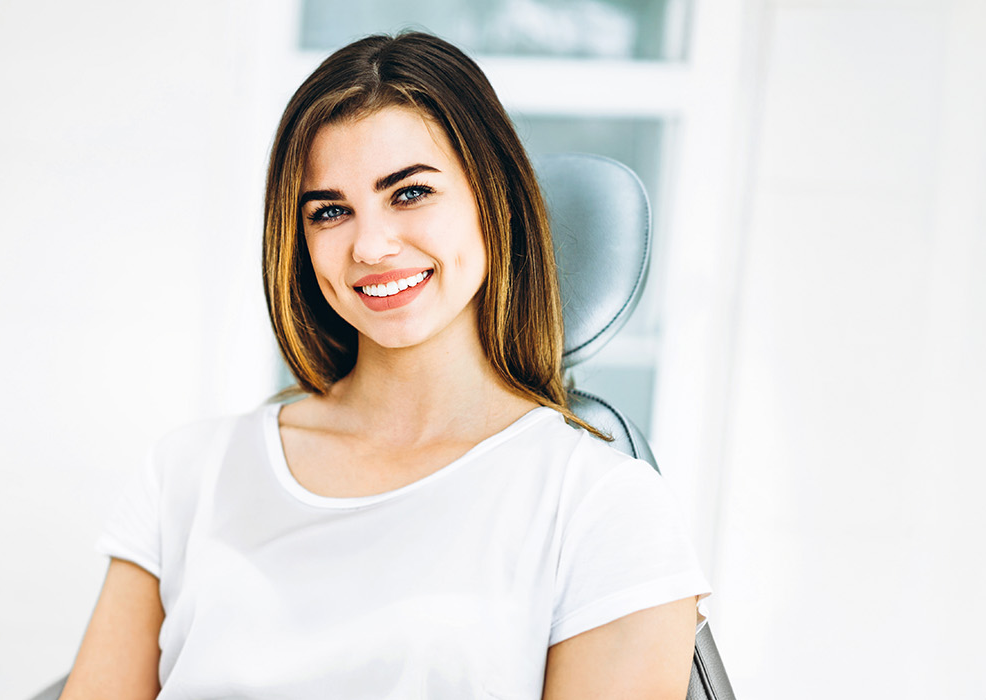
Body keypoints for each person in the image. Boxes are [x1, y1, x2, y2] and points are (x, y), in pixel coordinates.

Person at [60, 32, 710, 700]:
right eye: (331, 211)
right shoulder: (187, 475)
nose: (370, 245)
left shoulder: (603, 508)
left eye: (410, 194)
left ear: (496, 200)